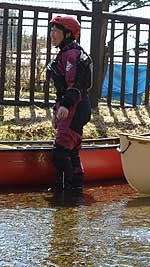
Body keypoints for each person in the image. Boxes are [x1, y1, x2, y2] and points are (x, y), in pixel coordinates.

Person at [46, 15, 92, 192]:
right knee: (71, 151)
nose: (52, 34)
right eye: (51, 30)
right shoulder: (66, 53)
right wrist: (56, 110)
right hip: (72, 107)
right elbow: (62, 89)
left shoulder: (72, 54)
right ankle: (75, 189)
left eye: (55, 31)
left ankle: (64, 192)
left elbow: (74, 86)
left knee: (61, 151)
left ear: (68, 34)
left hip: (75, 107)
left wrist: (64, 106)